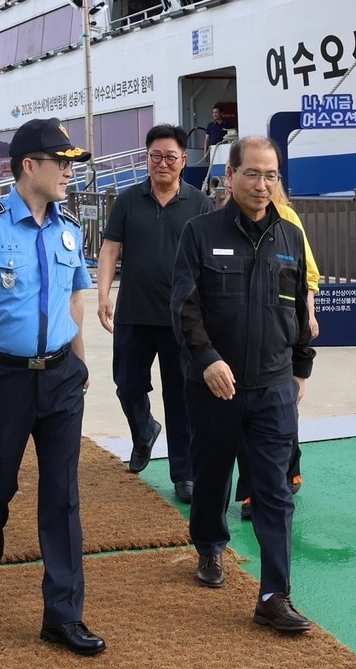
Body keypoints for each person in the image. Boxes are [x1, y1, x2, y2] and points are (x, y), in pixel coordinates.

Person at [0, 117, 106, 657]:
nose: (68, 171)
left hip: (61, 376)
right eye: (60, 162)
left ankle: (62, 615)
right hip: (4, 378)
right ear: (29, 167)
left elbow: (76, 298)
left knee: (62, 496)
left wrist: (80, 367)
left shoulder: (69, 228)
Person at [171, 136, 314, 633]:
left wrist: (301, 368)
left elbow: (297, 310)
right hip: (215, 385)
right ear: (229, 176)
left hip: (273, 387)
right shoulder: (199, 231)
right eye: (251, 173)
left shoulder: (291, 237)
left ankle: (274, 595)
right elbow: (184, 305)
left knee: (274, 490)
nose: (261, 184)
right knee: (212, 475)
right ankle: (210, 545)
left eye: (270, 175)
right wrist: (207, 359)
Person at [96, 124, 213, 503]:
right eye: (155, 156)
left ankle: (185, 474)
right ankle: (143, 429)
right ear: (146, 160)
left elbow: (210, 259)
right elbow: (110, 249)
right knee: (127, 385)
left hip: (183, 318)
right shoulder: (129, 201)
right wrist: (103, 295)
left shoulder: (200, 203)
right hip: (134, 312)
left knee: (181, 398)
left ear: (183, 161)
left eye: (170, 157)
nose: (162, 163)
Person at [236, 180, 320, 520]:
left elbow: (306, 275)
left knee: (285, 409)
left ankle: (289, 469)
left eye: (268, 175)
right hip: (243, 338)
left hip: (280, 332)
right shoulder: (220, 223)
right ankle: (253, 489)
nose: (260, 185)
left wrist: (308, 315)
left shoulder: (287, 221)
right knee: (248, 418)